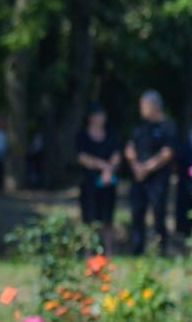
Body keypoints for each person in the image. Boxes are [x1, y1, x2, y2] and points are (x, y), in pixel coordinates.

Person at [125, 90, 176, 255]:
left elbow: (167, 152)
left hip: (158, 177)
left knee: (158, 212)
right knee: (137, 212)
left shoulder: (167, 126)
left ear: (154, 106)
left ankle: (160, 249)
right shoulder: (140, 126)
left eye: (143, 105)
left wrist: (146, 168)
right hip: (138, 176)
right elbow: (130, 147)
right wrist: (135, 165)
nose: (141, 108)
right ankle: (137, 249)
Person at [74, 105, 120, 251]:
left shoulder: (111, 134)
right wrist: (103, 166)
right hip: (88, 182)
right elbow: (82, 157)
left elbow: (116, 155)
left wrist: (108, 170)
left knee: (107, 219)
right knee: (88, 219)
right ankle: (88, 253)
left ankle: (108, 253)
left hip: (108, 181)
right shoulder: (82, 136)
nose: (101, 118)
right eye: (98, 115)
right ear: (91, 117)